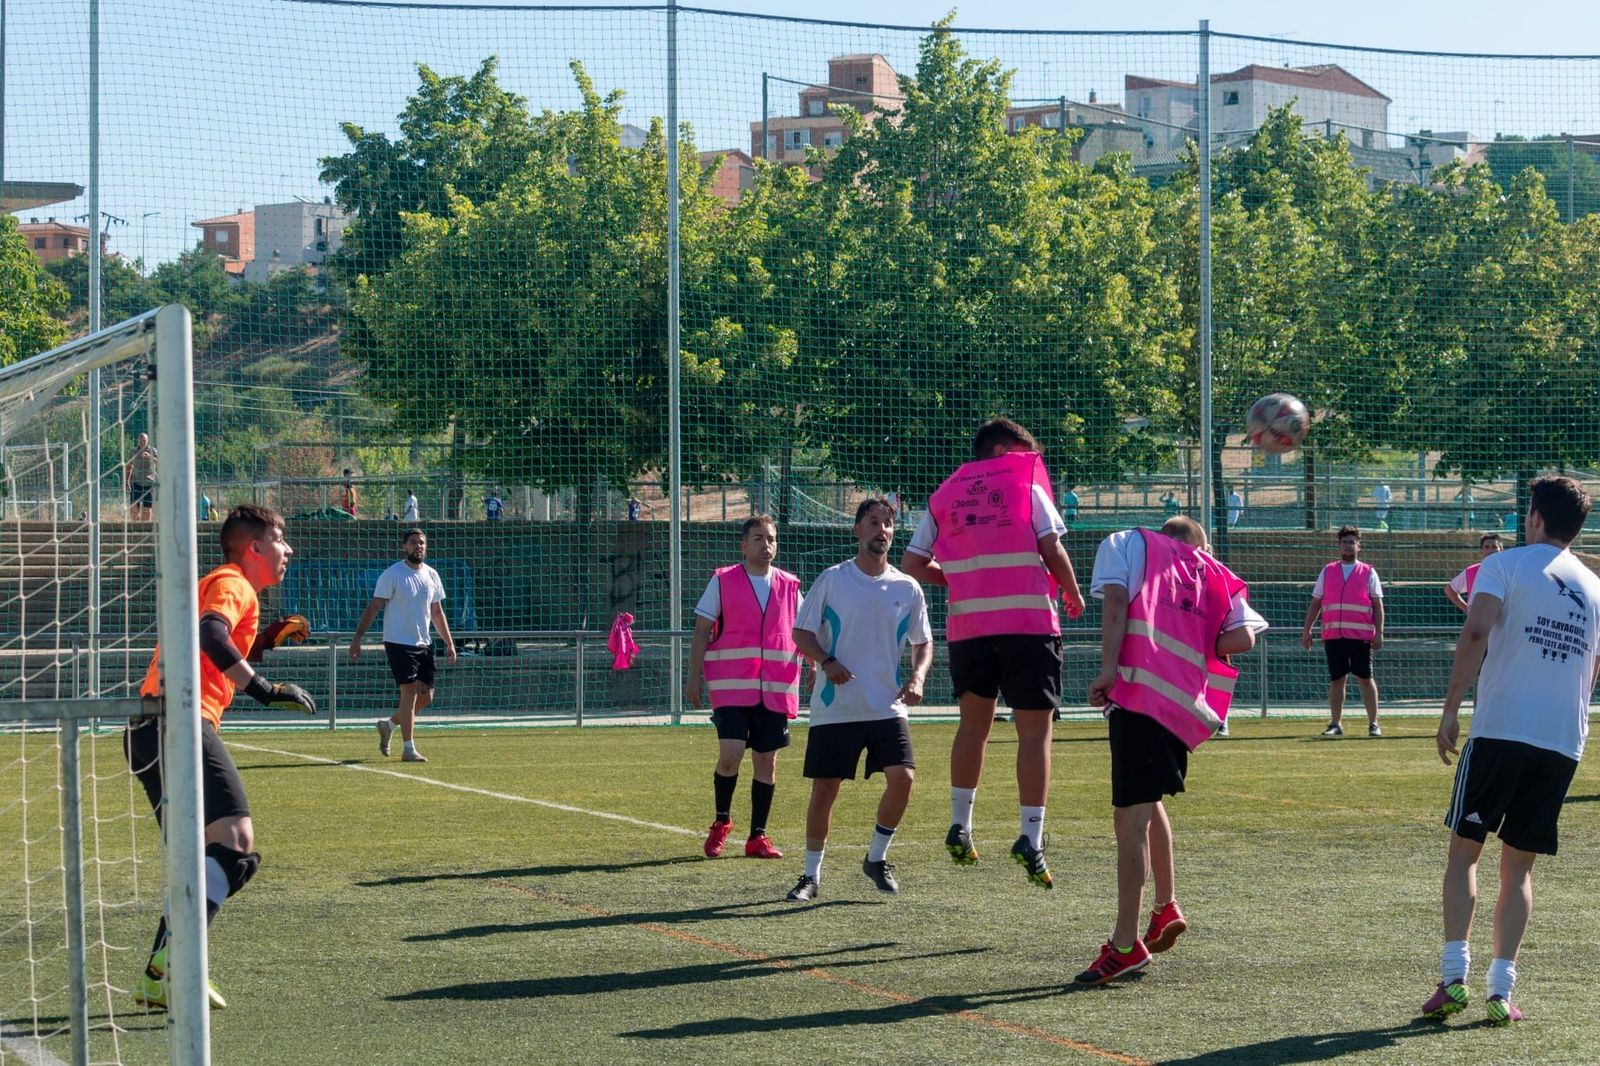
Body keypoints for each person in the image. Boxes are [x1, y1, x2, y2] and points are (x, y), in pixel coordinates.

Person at [1423, 476, 1600, 1026]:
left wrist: (1451, 708)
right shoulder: (1594, 587)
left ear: (1536, 518)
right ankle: (1501, 991)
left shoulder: (1503, 564)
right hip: (1561, 741)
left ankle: (1454, 979)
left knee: (1464, 852)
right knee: (1518, 869)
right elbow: (1593, 668)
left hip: (1501, 731)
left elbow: (1476, 632)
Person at [126, 505, 316, 1010]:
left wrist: (263, 639)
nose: (288, 549)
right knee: (235, 845)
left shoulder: (227, 586)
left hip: (153, 728)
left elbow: (213, 642)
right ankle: (174, 964)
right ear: (254, 547)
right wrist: (264, 689)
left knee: (204, 858)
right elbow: (211, 635)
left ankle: (159, 976)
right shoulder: (235, 582)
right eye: (280, 539)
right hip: (178, 722)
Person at [1077, 515, 1265, 984]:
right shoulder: (1214, 571)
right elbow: (1242, 637)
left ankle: (1125, 945)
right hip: (1181, 706)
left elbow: (1116, 602)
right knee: (1147, 803)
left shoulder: (1127, 544)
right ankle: (1165, 906)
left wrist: (1107, 669)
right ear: (1200, 544)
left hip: (1140, 696)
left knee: (1130, 822)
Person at [901, 417, 1085, 890]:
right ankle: (1031, 837)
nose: (1033, 462)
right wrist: (1072, 590)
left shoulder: (945, 494)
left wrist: (960, 580)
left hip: (970, 630)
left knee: (973, 728)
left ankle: (960, 824)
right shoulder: (1026, 486)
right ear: (1004, 451)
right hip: (1028, 625)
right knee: (1035, 735)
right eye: (1027, 453)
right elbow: (1051, 548)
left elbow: (912, 563)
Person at [786, 498, 932, 901]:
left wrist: (917, 676)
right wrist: (827, 661)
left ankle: (876, 858)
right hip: (837, 708)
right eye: (872, 522)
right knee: (825, 791)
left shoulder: (907, 587)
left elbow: (923, 642)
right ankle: (810, 876)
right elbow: (801, 633)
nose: (881, 530)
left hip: (887, 706)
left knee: (903, 779)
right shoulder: (833, 580)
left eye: (887, 524)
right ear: (857, 530)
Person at [685, 515, 802, 860]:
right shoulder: (723, 581)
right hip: (732, 689)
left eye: (771, 539)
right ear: (744, 545)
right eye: (758, 538)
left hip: (775, 691)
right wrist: (693, 676)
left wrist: (815, 664)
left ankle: (757, 836)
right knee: (731, 756)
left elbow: (804, 631)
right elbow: (701, 630)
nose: (766, 545)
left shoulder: (790, 586)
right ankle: (722, 821)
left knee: (766, 761)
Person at [349, 528, 456, 763]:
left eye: (422, 542)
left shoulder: (432, 575)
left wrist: (449, 642)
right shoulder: (393, 574)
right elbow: (374, 607)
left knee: (426, 697)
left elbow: (437, 612)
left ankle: (388, 725)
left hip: (423, 643)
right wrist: (357, 638)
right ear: (404, 547)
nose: (419, 546)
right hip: (398, 642)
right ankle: (409, 749)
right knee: (408, 694)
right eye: (413, 542)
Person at [1301, 525, 1385, 737]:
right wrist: (1307, 630)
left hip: (1360, 636)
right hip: (1333, 636)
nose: (1348, 546)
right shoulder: (1328, 571)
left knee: (1365, 678)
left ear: (1359, 546)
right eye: (1345, 542)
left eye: (1352, 542)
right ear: (1339, 546)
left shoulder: (1368, 572)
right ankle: (1335, 723)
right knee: (1337, 680)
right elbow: (1315, 604)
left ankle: (1374, 723)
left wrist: (1379, 632)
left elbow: (1378, 605)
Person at [1445, 533, 1505, 615]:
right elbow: (1450, 590)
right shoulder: (1472, 571)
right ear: (1481, 551)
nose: (1490, 550)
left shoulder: (1509, 571)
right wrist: (1466, 609)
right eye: (1486, 547)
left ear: (1501, 550)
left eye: (1494, 547)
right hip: (1479, 619)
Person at [125, 432, 158, 522]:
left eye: (144, 440)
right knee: (134, 507)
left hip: (149, 484)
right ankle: (136, 526)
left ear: (148, 441)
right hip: (136, 483)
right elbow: (129, 467)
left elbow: (160, 462)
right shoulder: (133, 452)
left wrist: (150, 457)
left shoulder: (153, 451)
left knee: (147, 509)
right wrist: (126, 481)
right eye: (140, 440)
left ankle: (146, 527)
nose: (142, 442)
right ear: (138, 441)